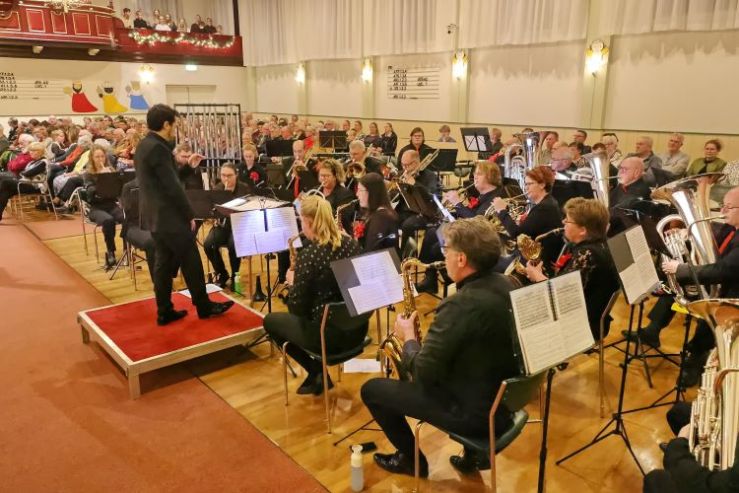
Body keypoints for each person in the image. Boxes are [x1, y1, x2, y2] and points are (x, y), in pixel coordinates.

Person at [361, 217, 520, 477]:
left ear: (462, 259)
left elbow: (422, 373)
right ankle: (471, 456)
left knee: (372, 390)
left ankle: (411, 461)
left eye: (446, 250)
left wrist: (409, 337)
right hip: (502, 403)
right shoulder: (508, 283)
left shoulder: (460, 304)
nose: (442, 257)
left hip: (473, 414)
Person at [628, 185, 739, 387]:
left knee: (705, 308)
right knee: (676, 287)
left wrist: (682, 269)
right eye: (722, 205)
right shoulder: (732, 227)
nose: (722, 211)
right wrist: (688, 232)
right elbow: (717, 235)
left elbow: (723, 270)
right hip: (720, 284)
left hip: (731, 298)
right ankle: (653, 330)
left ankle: (695, 361)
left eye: (728, 207)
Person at [135, 104, 233, 326]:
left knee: (163, 262)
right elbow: (172, 188)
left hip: (155, 216)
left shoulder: (144, 145)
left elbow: (166, 180)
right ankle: (204, 306)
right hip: (169, 216)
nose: (175, 129)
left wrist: (188, 167)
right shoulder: (159, 148)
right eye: (174, 125)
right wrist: (189, 214)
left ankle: (164, 310)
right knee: (191, 259)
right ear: (166, 124)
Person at [263, 195, 363, 395]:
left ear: (309, 222)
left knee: (270, 321)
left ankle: (317, 371)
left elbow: (296, 309)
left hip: (328, 338)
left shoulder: (309, 256)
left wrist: (293, 283)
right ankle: (318, 374)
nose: (301, 227)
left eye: (301, 221)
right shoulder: (352, 245)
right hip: (357, 330)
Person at [524, 198, 620, 340]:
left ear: (582, 230)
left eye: (568, 220)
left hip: (583, 325)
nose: (563, 222)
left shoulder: (587, 254)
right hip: (590, 315)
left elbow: (560, 296)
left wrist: (536, 276)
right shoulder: (602, 245)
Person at [417, 161, 507, 293]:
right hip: (469, 235)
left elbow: (478, 222)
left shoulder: (495, 198)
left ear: (490, 177)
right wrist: (449, 211)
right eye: (475, 174)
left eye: (479, 174)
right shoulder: (484, 195)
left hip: (479, 243)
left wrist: (457, 203)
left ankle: (455, 281)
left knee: (436, 249)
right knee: (431, 232)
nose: (475, 177)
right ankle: (430, 278)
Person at [491, 166, 563, 272]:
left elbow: (518, 234)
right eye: (525, 184)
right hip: (532, 256)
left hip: (538, 263)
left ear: (542, 185)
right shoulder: (547, 203)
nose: (526, 188)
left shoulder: (544, 207)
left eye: (529, 184)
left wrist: (501, 211)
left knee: (491, 262)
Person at [204, 163, 250, 288]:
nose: (226, 179)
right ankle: (222, 274)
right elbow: (211, 208)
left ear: (236, 175)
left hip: (239, 225)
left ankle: (235, 276)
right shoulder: (218, 189)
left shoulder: (244, 189)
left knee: (233, 245)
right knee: (208, 244)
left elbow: (249, 209)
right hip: (223, 225)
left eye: (229, 176)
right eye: (223, 175)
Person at [83, 144, 124, 269]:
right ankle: (111, 251)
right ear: (92, 158)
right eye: (97, 157)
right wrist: (101, 179)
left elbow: (118, 190)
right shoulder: (88, 174)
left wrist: (112, 179)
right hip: (96, 207)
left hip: (111, 204)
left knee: (126, 217)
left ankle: (127, 250)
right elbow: (90, 192)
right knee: (108, 220)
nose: (100, 159)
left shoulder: (110, 170)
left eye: (102, 156)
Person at [396, 149, 440, 254]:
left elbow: (433, 198)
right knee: (388, 220)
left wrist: (415, 184)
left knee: (408, 226)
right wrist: (397, 188)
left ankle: (405, 256)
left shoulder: (430, 176)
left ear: (416, 163)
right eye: (402, 165)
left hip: (424, 213)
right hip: (405, 210)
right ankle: (394, 253)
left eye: (407, 165)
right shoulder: (402, 174)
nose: (404, 168)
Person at [354, 172, 399, 252]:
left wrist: (349, 242)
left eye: (360, 190)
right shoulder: (378, 213)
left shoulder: (382, 218)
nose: (357, 194)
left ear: (372, 192)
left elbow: (371, 252)